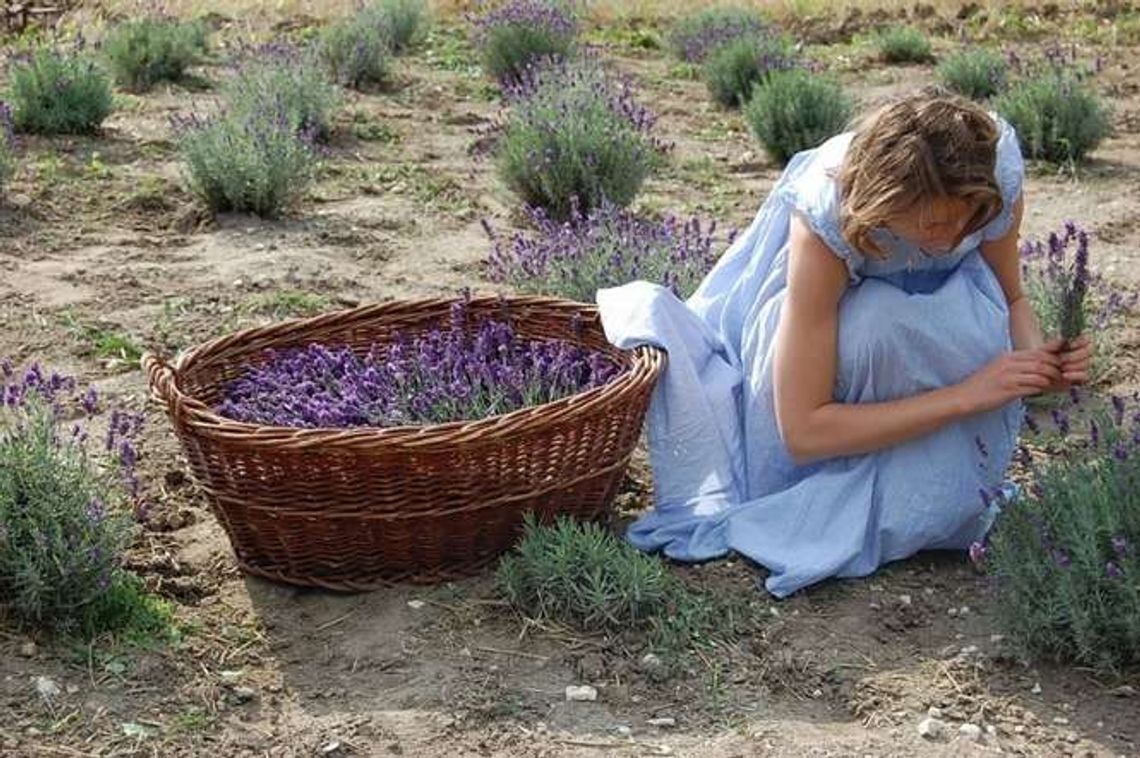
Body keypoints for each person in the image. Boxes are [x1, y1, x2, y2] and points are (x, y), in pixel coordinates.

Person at [596, 88, 1093, 598]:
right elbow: (803, 430)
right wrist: (968, 393)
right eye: (931, 225)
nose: (950, 238)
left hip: (934, 315)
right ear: (884, 204)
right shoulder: (828, 216)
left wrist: (1037, 363)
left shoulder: (987, 174)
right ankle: (871, 483)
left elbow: (1010, 300)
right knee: (880, 322)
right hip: (825, 336)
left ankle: (919, 486)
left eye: (963, 219)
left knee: (963, 325)